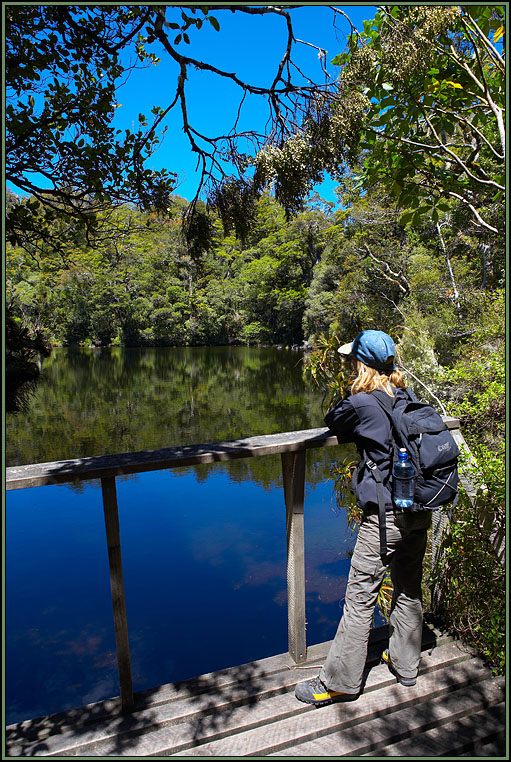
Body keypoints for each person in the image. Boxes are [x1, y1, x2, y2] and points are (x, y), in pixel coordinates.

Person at [295, 329, 432, 706]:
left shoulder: (361, 402)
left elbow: (332, 419)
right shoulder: (407, 396)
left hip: (384, 517)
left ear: (361, 363)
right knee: (408, 587)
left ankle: (340, 682)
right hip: (419, 511)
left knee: (360, 598)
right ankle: (405, 664)